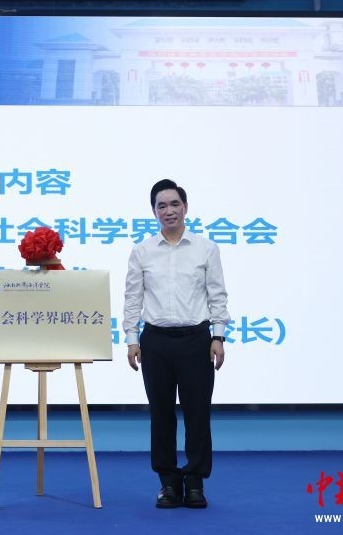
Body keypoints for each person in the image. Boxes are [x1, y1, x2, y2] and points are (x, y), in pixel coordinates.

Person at [123, 179, 229, 510]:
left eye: (174, 204)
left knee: (198, 414)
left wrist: (218, 336)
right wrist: (131, 339)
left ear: (185, 207)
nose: (169, 210)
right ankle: (168, 482)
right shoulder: (142, 251)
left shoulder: (206, 249)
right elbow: (132, 298)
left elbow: (217, 294)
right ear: (154, 211)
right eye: (162, 206)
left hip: (196, 340)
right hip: (155, 341)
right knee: (161, 415)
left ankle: (195, 482)